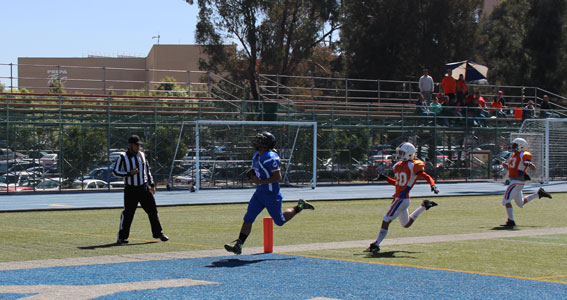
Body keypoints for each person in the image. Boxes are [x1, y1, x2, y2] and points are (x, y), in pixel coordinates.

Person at [224, 131, 315, 255]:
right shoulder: (257, 155)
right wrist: (252, 174)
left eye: (260, 141)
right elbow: (258, 169)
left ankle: (299, 206)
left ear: (266, 144)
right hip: (259, 193)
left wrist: (260, 181)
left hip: (271, 194)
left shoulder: (269, 157)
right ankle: (238, 245)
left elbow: (278, 177)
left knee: (279, 221)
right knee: (248, 218)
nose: (257, 142)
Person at [364, 142, 439, 255]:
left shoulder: (413, 165)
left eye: (402, 152)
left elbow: (425, 176)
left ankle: (376, 245)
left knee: (386, 219)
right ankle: (424, 206)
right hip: (402, 199)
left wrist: (432, 184)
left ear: (409, 154)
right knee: (406, 224)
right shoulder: (398, 166)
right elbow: (398, 183)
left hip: (401, 198)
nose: (399, 154)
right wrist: (385, 178)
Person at [113, 135, 168, 244]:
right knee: (128, 214)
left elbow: (147, 170)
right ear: (130, 145)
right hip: (130, 190)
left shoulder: (142, 155)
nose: (138, 147)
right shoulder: (123, 157)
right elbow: (115, 171)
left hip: (143, 188)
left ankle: (158, 233)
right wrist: (129, 173)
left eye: (139, 145)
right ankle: (122, 237)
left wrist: (152, 184)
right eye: (136, 145)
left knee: (152, 210)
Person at [500, 138, 552, 227]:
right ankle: (538, 193)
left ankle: (510, 221)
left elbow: (531, 165)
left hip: (516, 182)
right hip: (516, 182)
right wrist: (506, 166)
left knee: (505, 201)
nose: (513, 147)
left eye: (515, 145)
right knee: (520, 203)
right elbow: (514, 168)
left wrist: (528, 163)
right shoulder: (514, 155)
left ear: (521, 146)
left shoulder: (522, 154)